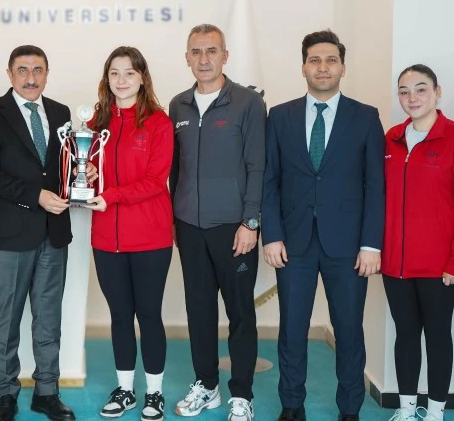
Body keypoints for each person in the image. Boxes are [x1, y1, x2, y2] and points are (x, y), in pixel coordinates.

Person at [261, 30, 385, 421]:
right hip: (293, 243)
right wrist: (272, 235)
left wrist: (371, 244)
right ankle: (291, 405)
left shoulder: (365, 117)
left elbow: (375, 186)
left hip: (348, 246)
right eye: (314, 60)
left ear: (342, 67)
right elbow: (269, 181)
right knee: (291, 329)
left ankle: (350, 409)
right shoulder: (279, 116)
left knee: (348, 330)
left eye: (331, 60)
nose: (323, 67)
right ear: (303, 67)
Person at [0, 45, 76, 421]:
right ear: (10, 74)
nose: (31, 78)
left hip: (54, 233)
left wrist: (82, 175)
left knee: (48, 318)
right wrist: (36, 196)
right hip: (10, 235)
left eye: (38, 70)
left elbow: (63, 165)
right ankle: (6, 393)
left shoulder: (61, 112)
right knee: (7, 319)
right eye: (23, 70)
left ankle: (47, 391)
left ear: (47, 73)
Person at [169, 23, 266, 421]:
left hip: (234, 229)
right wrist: (174, 219)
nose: (204, 59)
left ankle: (241, 394)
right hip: (189, 228)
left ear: (225, 56)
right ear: (187, 58)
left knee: (241, 313)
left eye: (211, 51)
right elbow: (174, 170)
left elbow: (258, 165)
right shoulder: (178, 106)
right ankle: (206, 385)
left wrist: (251, 221)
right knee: (199, 310)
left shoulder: (248, 103)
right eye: (196, 51)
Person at [82, 46, 174, 421]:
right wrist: (88, 175)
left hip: (150, 237)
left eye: (129, 73)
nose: (121, 80)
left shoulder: (159, 123)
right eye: (114, 73)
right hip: (107, 239)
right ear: (107, 79)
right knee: (120, 315)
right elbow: (88, 171)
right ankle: (125, 390)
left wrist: (110, 195)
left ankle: (154, 392)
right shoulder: (95, 124)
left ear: (142, 78)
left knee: (148, 314)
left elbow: (155, 180)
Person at [382, 64, 454, 421]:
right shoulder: (391, 138)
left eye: (421, 89)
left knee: (438, 337)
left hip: (439, 268)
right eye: (405, 91)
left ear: (437, 93)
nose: (412, 98)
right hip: (395, 264)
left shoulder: (452, 137)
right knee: (406, 335)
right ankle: (407, 409)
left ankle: (436, 411)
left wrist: (453, 263)